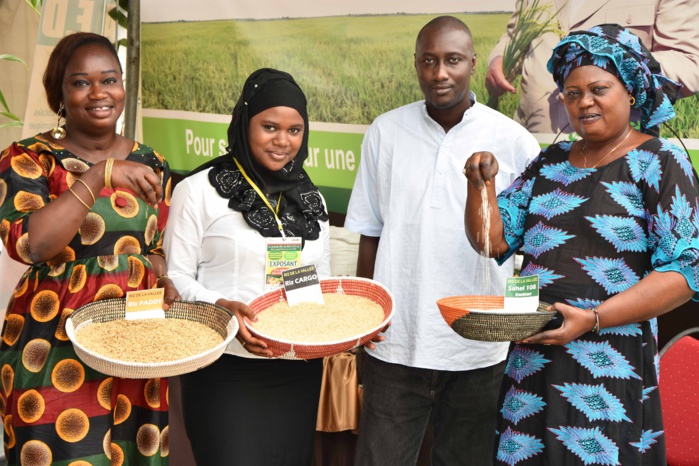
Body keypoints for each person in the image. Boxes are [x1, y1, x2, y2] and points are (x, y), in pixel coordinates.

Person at [465, 24, 699, 464]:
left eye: (598, 89)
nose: (583, 102)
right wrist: (480, 186)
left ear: (630, 90)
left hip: (608, 366)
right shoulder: (551, 162)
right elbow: (491, 241)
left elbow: (685, 273)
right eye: (571, 93)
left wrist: (592, 318)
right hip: (532, 362)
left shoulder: (659, 162)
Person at [344, 16, 541, 465]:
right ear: (415, 65)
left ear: (473, 62)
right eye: (428, 61)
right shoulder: (386, 131)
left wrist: (519, 324)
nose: (439, 73)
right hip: (395, 344)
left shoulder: (512, 140)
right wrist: (364, 321)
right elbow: (370, 233)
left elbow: (533, 245)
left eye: (452, 60)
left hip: (479, 349)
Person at [0, 32, 178, 464]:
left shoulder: (152, 162)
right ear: (59, 93)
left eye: (110, 79)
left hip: (136, 348)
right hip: (53, 344)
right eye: (81, 82)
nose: (99, 93)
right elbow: (33, 244)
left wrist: (163, 279)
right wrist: (99, 175)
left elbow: (157, 249)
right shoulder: (29, 158)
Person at [163, 68, 332, 465]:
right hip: (225, 367)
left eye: (294, 130)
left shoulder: (312, 200)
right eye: (269, 127)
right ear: (244, 122)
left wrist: (345, 327)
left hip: (297, 365)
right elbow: (176, 277)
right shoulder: (199, 190)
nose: (282, 141)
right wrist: (221, 306)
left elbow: (316, 281)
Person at [486, 0, 699, 134]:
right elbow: (517, 33)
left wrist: (616, 69)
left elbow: (688, 60)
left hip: (612, 150)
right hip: (533, 137)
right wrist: (499, 59)